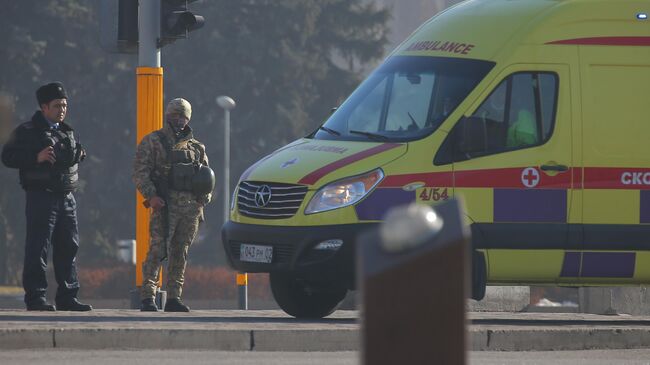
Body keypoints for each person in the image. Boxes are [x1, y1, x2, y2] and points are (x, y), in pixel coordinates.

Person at [1, 82, 91, 311]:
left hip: (66, 197)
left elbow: (72, 155)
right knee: (38, 248)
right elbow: (8, 156)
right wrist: (36, 157)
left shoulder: (66, 130)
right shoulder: (27, 131)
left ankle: (68, 297)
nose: (62, 109)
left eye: (65, 105)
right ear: (44, 107)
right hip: (41, 196)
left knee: (69, 247)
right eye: (57, 105)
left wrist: (79, 153)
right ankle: (36, 297)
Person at [133, 98, 214, 312]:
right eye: (175, 115)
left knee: (181, 252)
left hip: (190, 208)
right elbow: (140, 172)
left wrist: (203, 200)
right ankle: (148, 296)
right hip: (164, 205)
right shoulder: (153, 141)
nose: (179, 120)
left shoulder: (197, 147)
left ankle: (174, 298)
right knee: (157, 250)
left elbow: (207, 178)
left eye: (184, 116)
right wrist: (152, 197)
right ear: (167, 116)